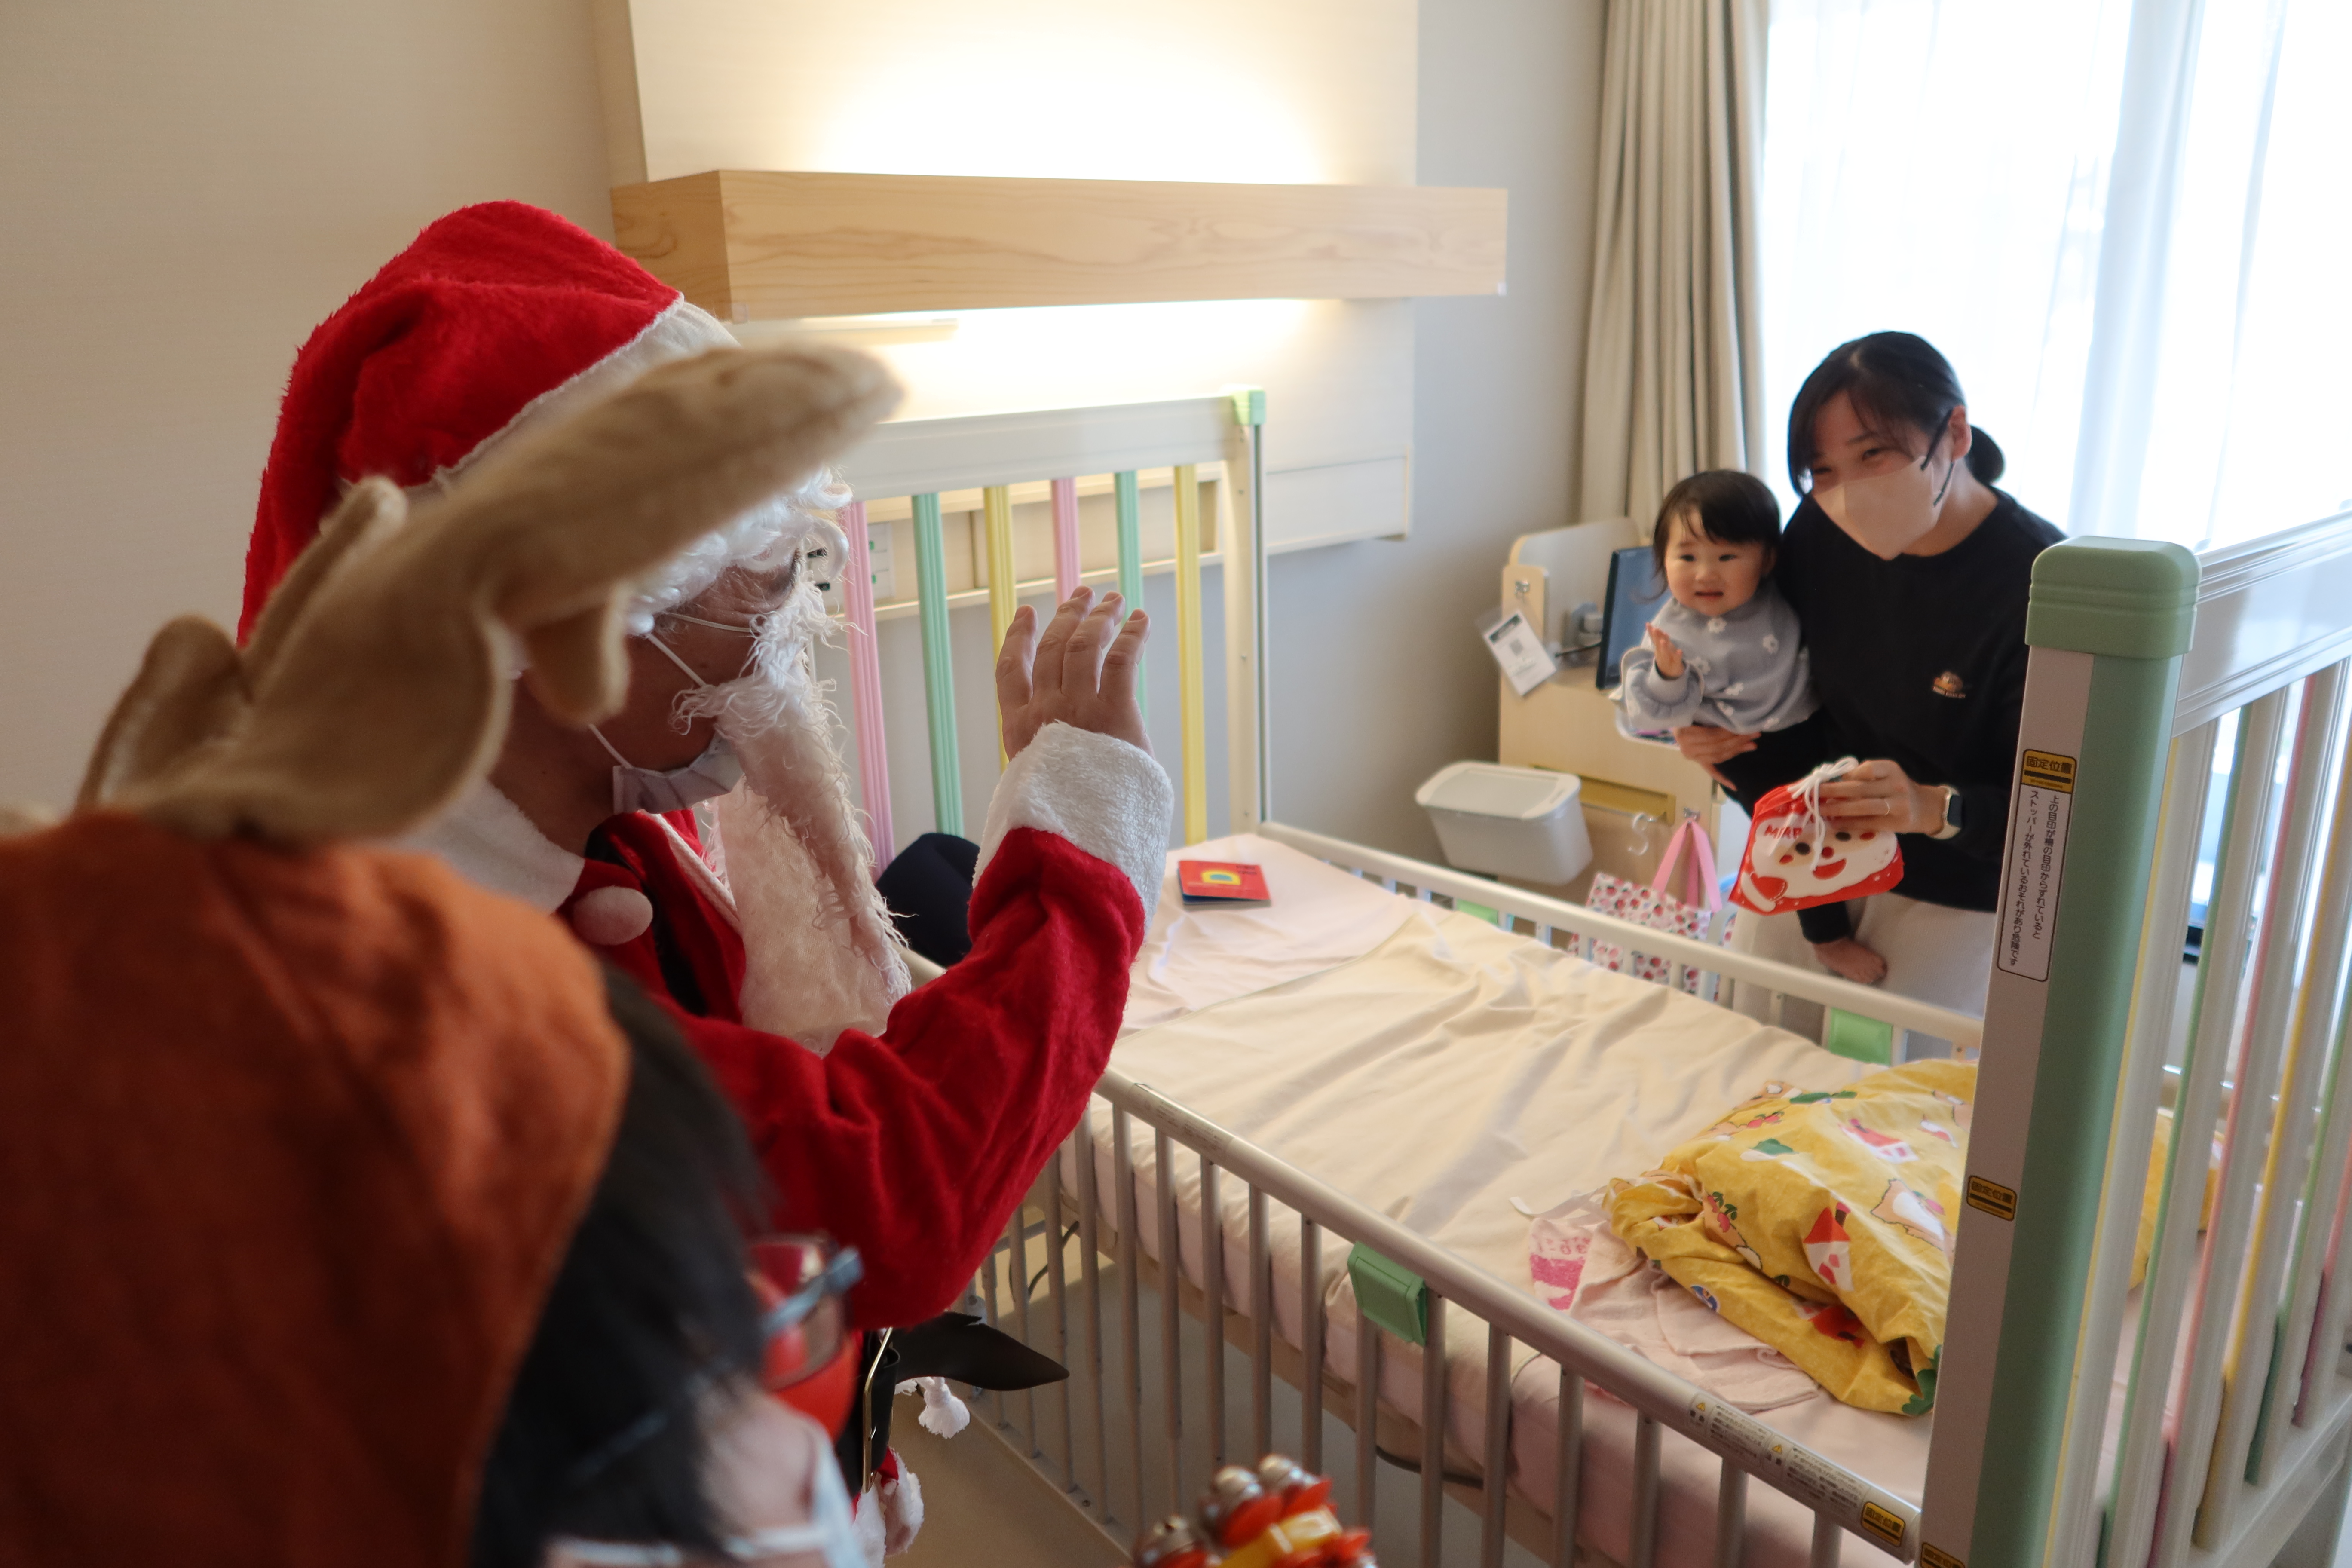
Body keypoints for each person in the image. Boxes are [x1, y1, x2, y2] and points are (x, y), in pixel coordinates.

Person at [238, 202, 1175, 1547]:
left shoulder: (597, 841)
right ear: (570, 623)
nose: (792, 616)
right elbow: (891, 1189)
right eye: (761, 571)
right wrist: (1083, 845)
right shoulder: (424, 994)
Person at [1672, 331, 2062, 1029]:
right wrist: (1705, 725)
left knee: (1899, 1083)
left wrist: (1930, 807)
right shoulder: (1821, 534)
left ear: (1955, 433)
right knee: (1750, 1049)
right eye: (1822, 470)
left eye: (1873, 454)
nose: (1848, 492)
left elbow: (2053, 817)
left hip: (1952, 886)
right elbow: (1754, 655)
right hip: (1808, 844)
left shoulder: (2042, 587)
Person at [1616, 471, 1873, 972]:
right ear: (1662, 560)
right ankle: (1828, 939)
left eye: (1727, 557)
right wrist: (1669, 676)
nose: (1705, 574)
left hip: (1807, 726)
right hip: (1748, 749)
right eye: (1686, 557)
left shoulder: (1777, 592)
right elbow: (1651, 708)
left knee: (1842, 812)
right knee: (1795, 834)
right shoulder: (1672, 631)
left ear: (1768, 560)